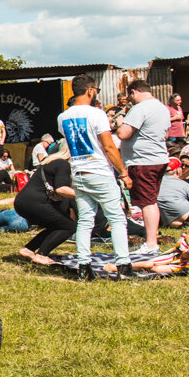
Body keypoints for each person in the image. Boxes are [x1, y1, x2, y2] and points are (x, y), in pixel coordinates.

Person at [58, 74, 132, 274]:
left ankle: (83, 265)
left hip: (79, 171)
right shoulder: (97, 114)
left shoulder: (62, 117)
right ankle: (123, 264)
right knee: (116, 218)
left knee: (85, 220)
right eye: (96, 91)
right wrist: (123, 173)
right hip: (99, 170)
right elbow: (108, 146)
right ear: (90, 90)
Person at [116, 77, 173, 256]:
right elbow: (166, 134)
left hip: (143, 161)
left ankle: (151, 243)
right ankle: (151, 241)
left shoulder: (140, 108)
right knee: (150, 200)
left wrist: (119, 123)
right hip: (158, 157)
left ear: (134, 92)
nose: (130, 100)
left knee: (147, 203)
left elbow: (124, 133)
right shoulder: (162, 108)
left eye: (130, 97)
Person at [11, 151, 77, 262]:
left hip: (22, 202)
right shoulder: (63, 164)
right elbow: (61, 189)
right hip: (36, 202)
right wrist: (86, 194)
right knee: (69, 226)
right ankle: (42, 255)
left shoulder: (50, 162)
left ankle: (29, 249)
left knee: (55, 225)